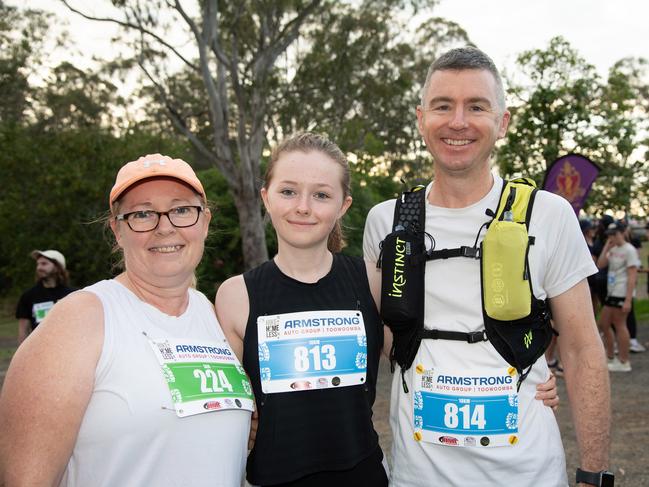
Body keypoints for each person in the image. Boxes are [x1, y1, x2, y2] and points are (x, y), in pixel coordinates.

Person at [216, 132, 558, 487]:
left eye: (321, 194)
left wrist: (532, 375)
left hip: (363, 476)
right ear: (265, 198)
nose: (303, 206)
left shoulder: (371, 280)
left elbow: (424, 350)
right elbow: (225, 407)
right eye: (288, 191)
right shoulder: (235, 296)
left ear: (343, 206)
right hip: (273, 478)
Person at [363, 47, 611, 486]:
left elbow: (582, 348)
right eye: (443, 106)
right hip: (417, 475)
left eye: (476, 106)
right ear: (421, 118)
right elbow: (376, 340)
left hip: (529, 473)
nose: (458, 121)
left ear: (503, 122)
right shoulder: (386, 221)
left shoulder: (550, 215)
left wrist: (593, 474)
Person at [0, 154, 252, 486]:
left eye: (181, 210)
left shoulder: (210, 313)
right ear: (118, 230)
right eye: (143, 213)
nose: (165, 227)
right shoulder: (81, 318)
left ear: (204, 221)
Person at [596, 221, 641, 372]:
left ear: (622, 233)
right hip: (612, 291)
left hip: (622, 293)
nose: (612, 238)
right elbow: (600, 264)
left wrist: (628, 299)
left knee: (620, 325)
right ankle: (610, 356)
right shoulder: (613, 248)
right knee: (604, 324)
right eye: (610, 235)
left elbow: (632, 276)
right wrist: (606, 247)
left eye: (614, 235)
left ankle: (624, 360)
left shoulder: (630, 250)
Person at [15, 249, 75, 344]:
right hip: (41, 351)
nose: (39, 268)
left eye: (44, 264)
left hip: (68, 348)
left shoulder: (73, 295)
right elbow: (23, 332)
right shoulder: (28, 296)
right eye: (38, 264)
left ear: (57, 267)